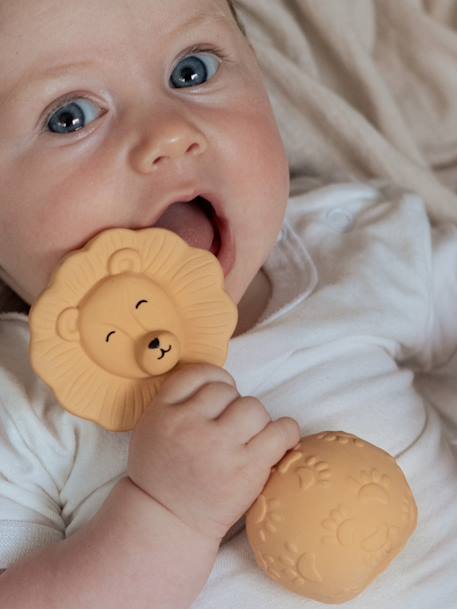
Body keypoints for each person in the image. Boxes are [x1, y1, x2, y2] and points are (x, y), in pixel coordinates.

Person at [0, 1, 456, 609]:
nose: (166, 132)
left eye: (192, 71)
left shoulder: (357, 248)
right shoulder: (21, 401)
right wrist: (166, 513)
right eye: (69, 117)